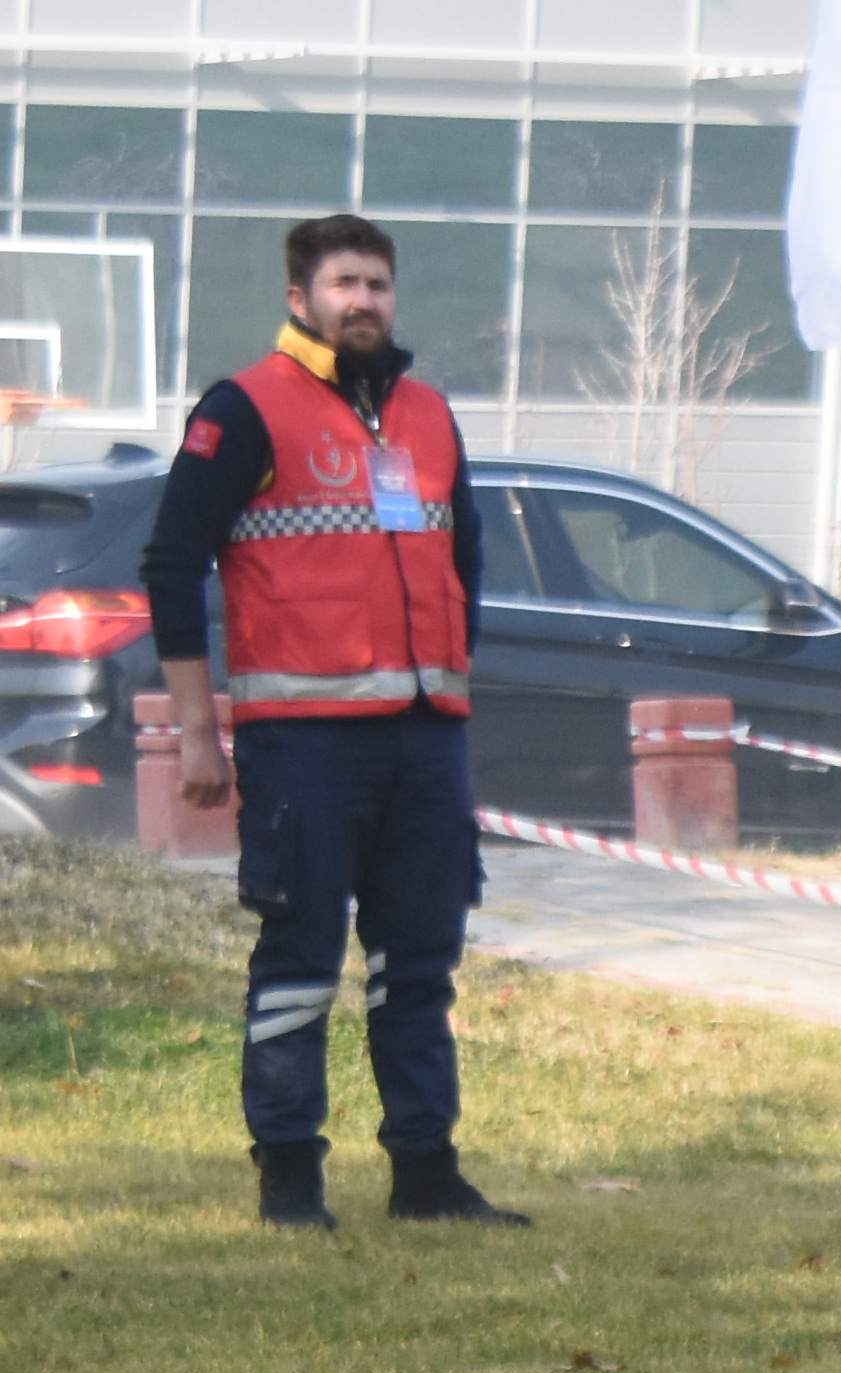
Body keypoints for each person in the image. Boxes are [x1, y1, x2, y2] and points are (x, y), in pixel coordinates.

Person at [142, 212, 521, 1235]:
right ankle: (290, 1181)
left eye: (378, 285)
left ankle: (427, 1175)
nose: (364, 302)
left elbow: (463, 562)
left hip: (424, 735)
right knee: (302, 960)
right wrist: (194, 731)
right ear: (299, 298)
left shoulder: (431, 415)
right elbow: (172, 565)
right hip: (303, 744)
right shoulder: (246, 408)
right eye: (345, 283)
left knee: (421, 964)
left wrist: (449, 685)